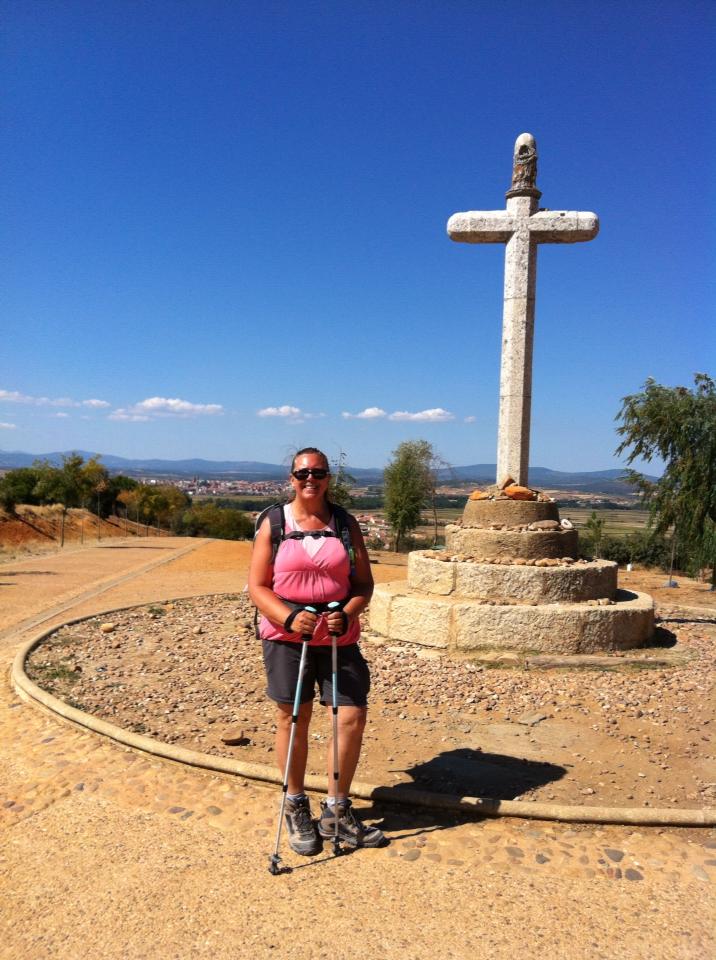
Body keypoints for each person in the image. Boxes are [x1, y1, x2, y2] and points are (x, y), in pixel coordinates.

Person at [248, 447, 385, 855]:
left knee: (351, 715)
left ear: (328, 478)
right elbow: (257, 587)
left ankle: (337, 809)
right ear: (291, 477)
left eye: (318, 472)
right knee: (293, 717)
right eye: (302, 473)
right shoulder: (273, 522)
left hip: (338, 638)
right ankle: (294, 803)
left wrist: (348, 611)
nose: (310, 479)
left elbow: (364, 584)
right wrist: (289, 618)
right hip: (286, 638)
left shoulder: (345, 525)